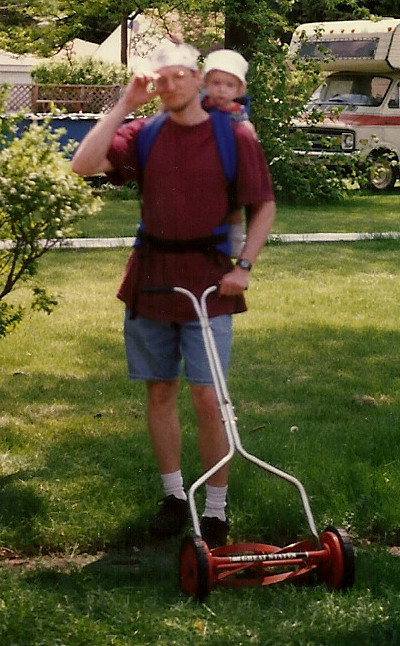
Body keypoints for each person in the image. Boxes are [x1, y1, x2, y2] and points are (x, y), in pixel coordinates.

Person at [71, 41, 276, 549]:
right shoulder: (145, 132)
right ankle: (172, 497)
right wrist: (124, 104)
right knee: (159, 391)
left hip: (210, 281)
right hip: (151, 278)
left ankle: (215, 510)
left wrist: (244, 266)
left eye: (178, 76)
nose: (169, 84)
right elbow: (83, 164)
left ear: (197, 79)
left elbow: (264, 206)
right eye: (160, 78)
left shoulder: (234, 137)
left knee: (209, 398)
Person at [202, 49, 256, 258]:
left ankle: (234, 244)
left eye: (229, 85)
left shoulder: (238, 112)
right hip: (204, 163)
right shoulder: (199, 107)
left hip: (228, 165)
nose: (222, 90)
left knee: (233, 205)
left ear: (239, 90)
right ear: (206, 84)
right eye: (216, 83)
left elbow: (248, 133)